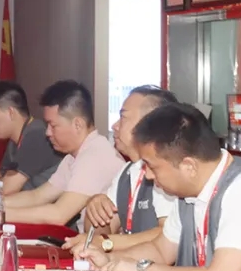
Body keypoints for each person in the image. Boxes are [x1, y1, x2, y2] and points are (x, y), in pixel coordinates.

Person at [79, 103, 241, 271]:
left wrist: (144, 270)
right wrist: (110, 260)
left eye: (152, 167)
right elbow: (161, 251)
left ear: (189, 167)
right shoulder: (187, 192)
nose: (148, 175)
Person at [0, 80, 125, 227]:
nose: (48, 132)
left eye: (53, 125)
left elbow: (59, 215)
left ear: (77, 125)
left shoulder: (95, 156)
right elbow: (37, 196)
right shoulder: (73, 156)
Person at [62, 86, 179, 254]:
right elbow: (103, 232)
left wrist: (105, 242)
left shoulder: (165, 172)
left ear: (151, 123)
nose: (115, 126)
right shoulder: (127, 171)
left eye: (123, 118)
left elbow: (166, 235)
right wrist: (95, 210)